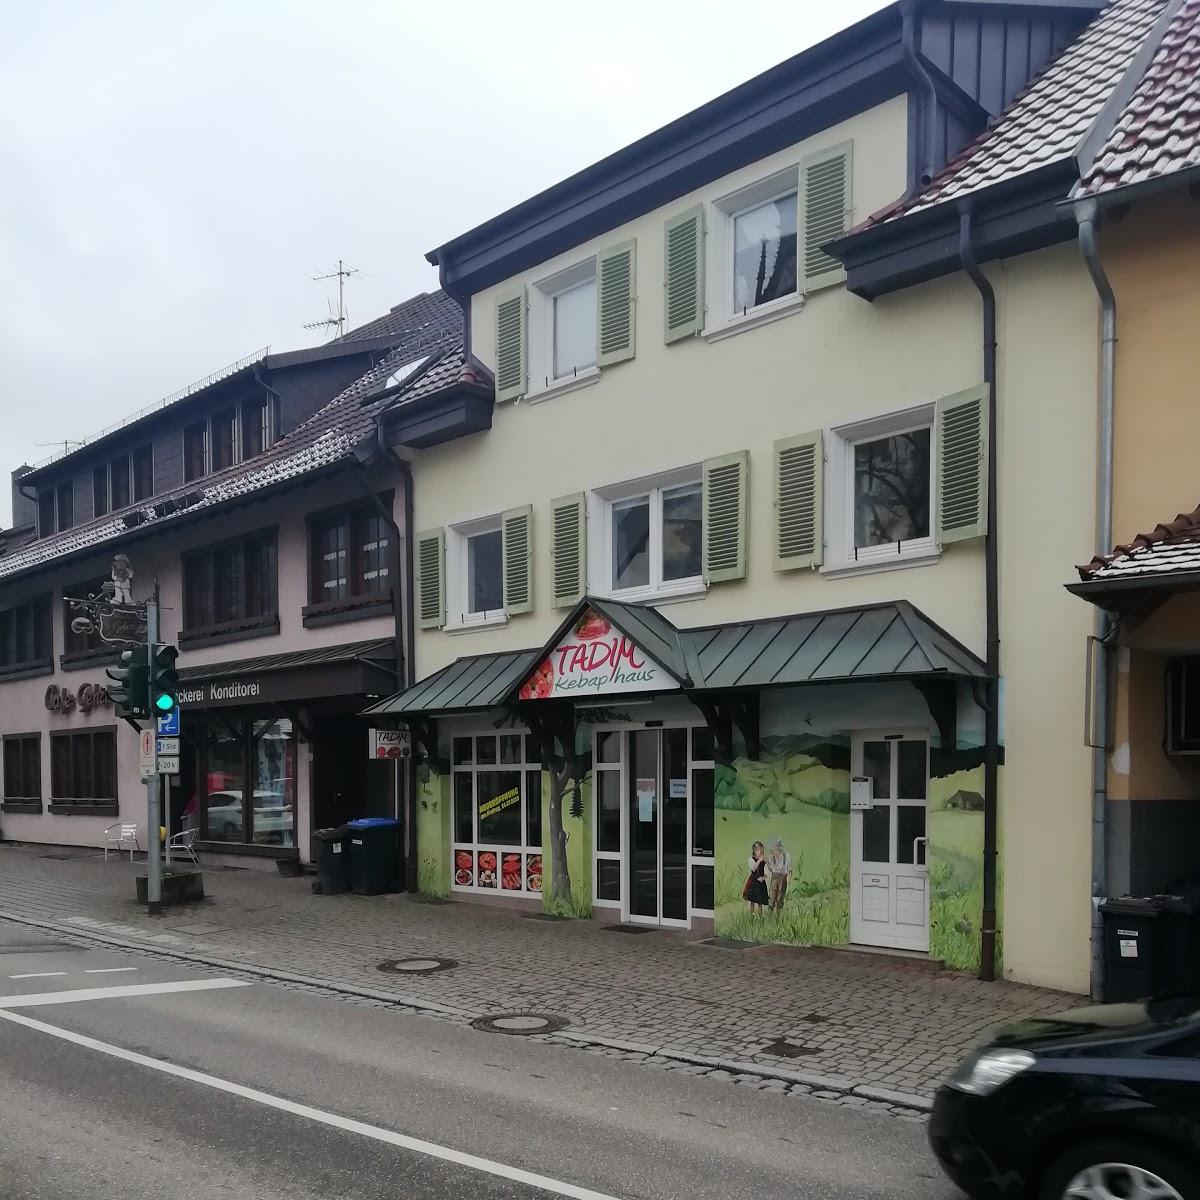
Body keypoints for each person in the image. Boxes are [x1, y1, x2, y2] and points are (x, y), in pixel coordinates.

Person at [766, 837, 792, 914]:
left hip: (783, 878)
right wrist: (767, 863)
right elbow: (771, 869)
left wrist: (789, 878)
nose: (773, 852)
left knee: (780, 897)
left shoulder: (787, 856)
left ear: (779, 848)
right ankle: (770, 915)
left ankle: (778, 916)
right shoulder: (772, 858)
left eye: (774, 849)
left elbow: (790, 869)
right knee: (771, 896)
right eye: (772, 850)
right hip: (774, 878)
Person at [743, 841, 769, 916]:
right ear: (754, 851)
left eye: (762, 851)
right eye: (759, 851)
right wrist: (759, 860)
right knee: (753, 900)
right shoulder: (751, 859)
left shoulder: (763, 860)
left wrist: (764, 877)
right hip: (754, 882)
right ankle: (752, 915)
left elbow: (767, 871)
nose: (760, 852)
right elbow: (753, 869)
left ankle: (760, 916)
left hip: (761, 882)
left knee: (760, 901)